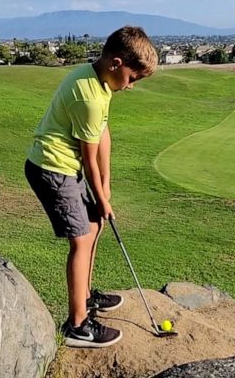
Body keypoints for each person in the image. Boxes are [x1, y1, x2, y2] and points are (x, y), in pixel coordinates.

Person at [24, 26, 158, 348]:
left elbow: (104, 136)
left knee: (95, 223)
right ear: (115, 63)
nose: (132, 86)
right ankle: (78, 325)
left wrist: (106, 188)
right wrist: (100, 195)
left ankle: (86, 295)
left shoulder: (100, 83)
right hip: (52, 169)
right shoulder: (89, 97)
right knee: (82, 239)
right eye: (133, 77)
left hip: (66, 168)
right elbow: (88, 158)